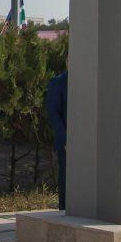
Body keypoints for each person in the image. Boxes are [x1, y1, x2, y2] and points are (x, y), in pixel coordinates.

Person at [44, 68, 68, 210]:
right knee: (66, 177)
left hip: (88, 141)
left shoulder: (90, 81)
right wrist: (65, 139)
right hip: (67, 141)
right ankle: (65, 209)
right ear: (67, 62)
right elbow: (53, 113)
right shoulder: (58, 82)